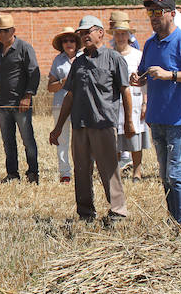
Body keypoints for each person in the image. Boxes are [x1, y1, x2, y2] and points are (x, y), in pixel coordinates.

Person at [131, 0, 181, 227]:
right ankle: (173, 221)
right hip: (157, 119)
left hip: (179, 120)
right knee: (165, 176)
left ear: (172, 13)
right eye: (150, 12)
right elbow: (142, 73)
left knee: (176, 175)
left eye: (158, 12)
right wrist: (136, 78)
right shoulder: (151, 44)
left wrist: (170, 75)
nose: (153, 17)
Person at [50, 16, 133, 224]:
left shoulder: (114, 59)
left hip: (103, 123)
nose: (84, 36)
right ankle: (85, 213)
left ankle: (118, 211)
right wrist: (58, 127)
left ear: (101, 33)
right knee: (81, 170)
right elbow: (69, 96)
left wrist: (129, 122)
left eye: (89, 31)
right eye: (82, 33)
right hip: (80, 124)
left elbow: (125, 91)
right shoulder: (78, 62)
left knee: (109, 168)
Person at [0, 13, 40, 183]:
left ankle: (33, 173)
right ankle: (12, 174)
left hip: (21, 103)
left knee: (27, 140)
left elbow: (34, 73)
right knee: (7, 141)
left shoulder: (25, 48)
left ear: (13, 30)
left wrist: (27, 96)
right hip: (3, 103)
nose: (2, 34)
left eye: (5, 31)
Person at [110, 19, 149, 181]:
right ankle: (116, 169)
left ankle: (137, 171)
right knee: (115, 136)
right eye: (117, 34)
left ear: (129, 36)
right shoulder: (109, 55)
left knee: (135, 136)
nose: (120, 37)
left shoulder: (138, 56)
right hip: (114, 102)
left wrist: (146, 102)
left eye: (123, 34)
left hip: (135, 99)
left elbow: (145, 80)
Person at [47, 27, 80, 184]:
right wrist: (62, 82)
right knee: (62, 138)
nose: (68, 43)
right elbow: (49, 87)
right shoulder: (58, 60)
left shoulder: (84, 58)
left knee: (81, 139)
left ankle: (82, 170)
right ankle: (65, 173)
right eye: (65, 41)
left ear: (77, 42)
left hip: (81, 104)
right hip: (61, 103)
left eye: (71, 40)